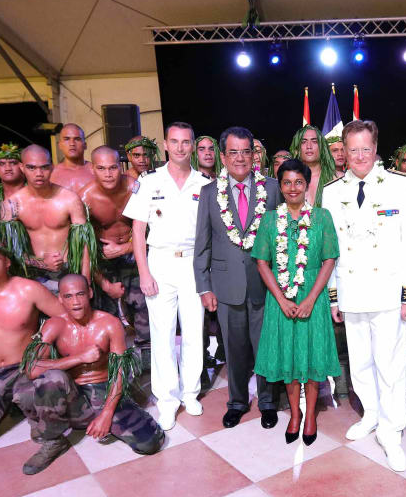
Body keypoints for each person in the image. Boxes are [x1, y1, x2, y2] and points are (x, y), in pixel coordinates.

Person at [324, 119, 406, 472]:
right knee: (360, 361)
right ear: (344, 153)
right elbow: (330, 250)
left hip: (388, 291)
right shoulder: (331, 192)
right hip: (351, 289)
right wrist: (334, 296)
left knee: (390, 361)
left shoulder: (398, 185)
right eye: (353, 150)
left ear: (376, 148)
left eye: (366, 148)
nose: (360, 155)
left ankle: (392, 427)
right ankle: (370, 414)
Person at [0, 240, 89, 474]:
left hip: (29, 365)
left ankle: (53, 439)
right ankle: (16, 405)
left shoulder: (28, 289)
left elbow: (66, 319)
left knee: (42, 386)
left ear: (7, 261)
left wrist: (46, 345)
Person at [124, 122, 210, 430]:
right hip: (159, 262)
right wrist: (143, 271)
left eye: (186, 142)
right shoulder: (149, 181)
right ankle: (167, 401)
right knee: (162, 335)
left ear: (193, 145)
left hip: (192, 264)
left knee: (192, 332)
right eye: (174, 142)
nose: (180, 147)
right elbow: (137, 230)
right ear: (165, 145)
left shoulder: (204, 182)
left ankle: (190, 393)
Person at [195, 126, 281, 428]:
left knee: (266, 346)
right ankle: (237, 402)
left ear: (254, 154)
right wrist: (204, 287)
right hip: (225, 285)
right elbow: (202, 243)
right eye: (234, 152)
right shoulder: (209, 193)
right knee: (233, 349)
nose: (241, 158)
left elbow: (282, 236)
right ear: (223, 156)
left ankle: (269, 401)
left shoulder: (271, 188)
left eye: (247, 151)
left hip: (264, 285)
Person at [22, 274, 164, 455]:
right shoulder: (54, 325)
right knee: (50, 378)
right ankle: (54, 436)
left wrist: (106, 415)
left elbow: (119, 372)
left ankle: (102, 417)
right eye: (68, 296)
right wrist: (79, 358)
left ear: (89, 293)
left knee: (149, 444)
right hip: (72, 393)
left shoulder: (109, 324)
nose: (75, 302)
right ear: (60, 298)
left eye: (80, 294)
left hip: (105, 389)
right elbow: (31, 369)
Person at [252, 159, 340, 444]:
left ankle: (311, 414)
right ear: (280, 185)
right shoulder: (269, 219)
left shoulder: (322, 217)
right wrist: (280, 299)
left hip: (313, 297)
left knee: (312, 357)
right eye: (287, 182)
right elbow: (263, 263)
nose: (293, 188)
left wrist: (311, 299)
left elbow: (329, 259)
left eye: (298, 182)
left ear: (307, 184)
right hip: (280, 300)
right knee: (288, 357)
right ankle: (294, 414)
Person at [0, 144, 96, 293]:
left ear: (51, 167)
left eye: (44, 167)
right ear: (22, 167)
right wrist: (41, 263)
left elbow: (85, 245)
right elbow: (8, 251)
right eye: (32, 168)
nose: (39, 173)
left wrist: (86, 281)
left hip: (68, 271)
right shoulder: (12, 204)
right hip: (32, 273)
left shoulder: (69, 199)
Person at [80, 146, 138, 323]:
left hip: (134, 253)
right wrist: (105, 285)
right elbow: (83, 249)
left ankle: (146, 348)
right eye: (101, 168)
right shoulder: (84, 199)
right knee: (106, 316)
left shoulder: (134, 189)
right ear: (92, 169)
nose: (108, 174)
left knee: (143, 306)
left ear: (120, 167)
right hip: (102, 259)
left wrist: (124, 249)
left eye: (112, 167)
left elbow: (154, 231)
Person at [290, 125, 338, 205]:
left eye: (314, 141)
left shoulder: (337, 179)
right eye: (303, 142)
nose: (309, 146)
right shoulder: (287, 181)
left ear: (322, 147)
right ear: (297, 150)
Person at [50, 123, 94, 194]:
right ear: (60, 145)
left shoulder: (96, 171)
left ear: (85, 145)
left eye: (77, 139)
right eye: (67, 139)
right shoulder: (51, 174)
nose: (72, 143)